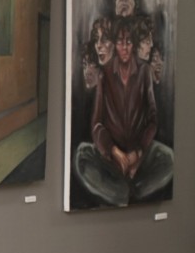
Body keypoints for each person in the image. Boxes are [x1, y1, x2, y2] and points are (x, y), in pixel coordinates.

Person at [74, 18, 173, 204]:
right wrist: (114, 152)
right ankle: (123, 192)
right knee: (82, 155)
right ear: (115, 44)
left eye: (129, 41)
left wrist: (138, 153)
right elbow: (96, 124)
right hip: (112, 157)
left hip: (139, 155)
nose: (125, 47)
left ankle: (132, 190)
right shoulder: (104, 74)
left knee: (168, 158)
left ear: (134, 44)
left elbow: (152, 119)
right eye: (120, 42)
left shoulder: (144, 72)